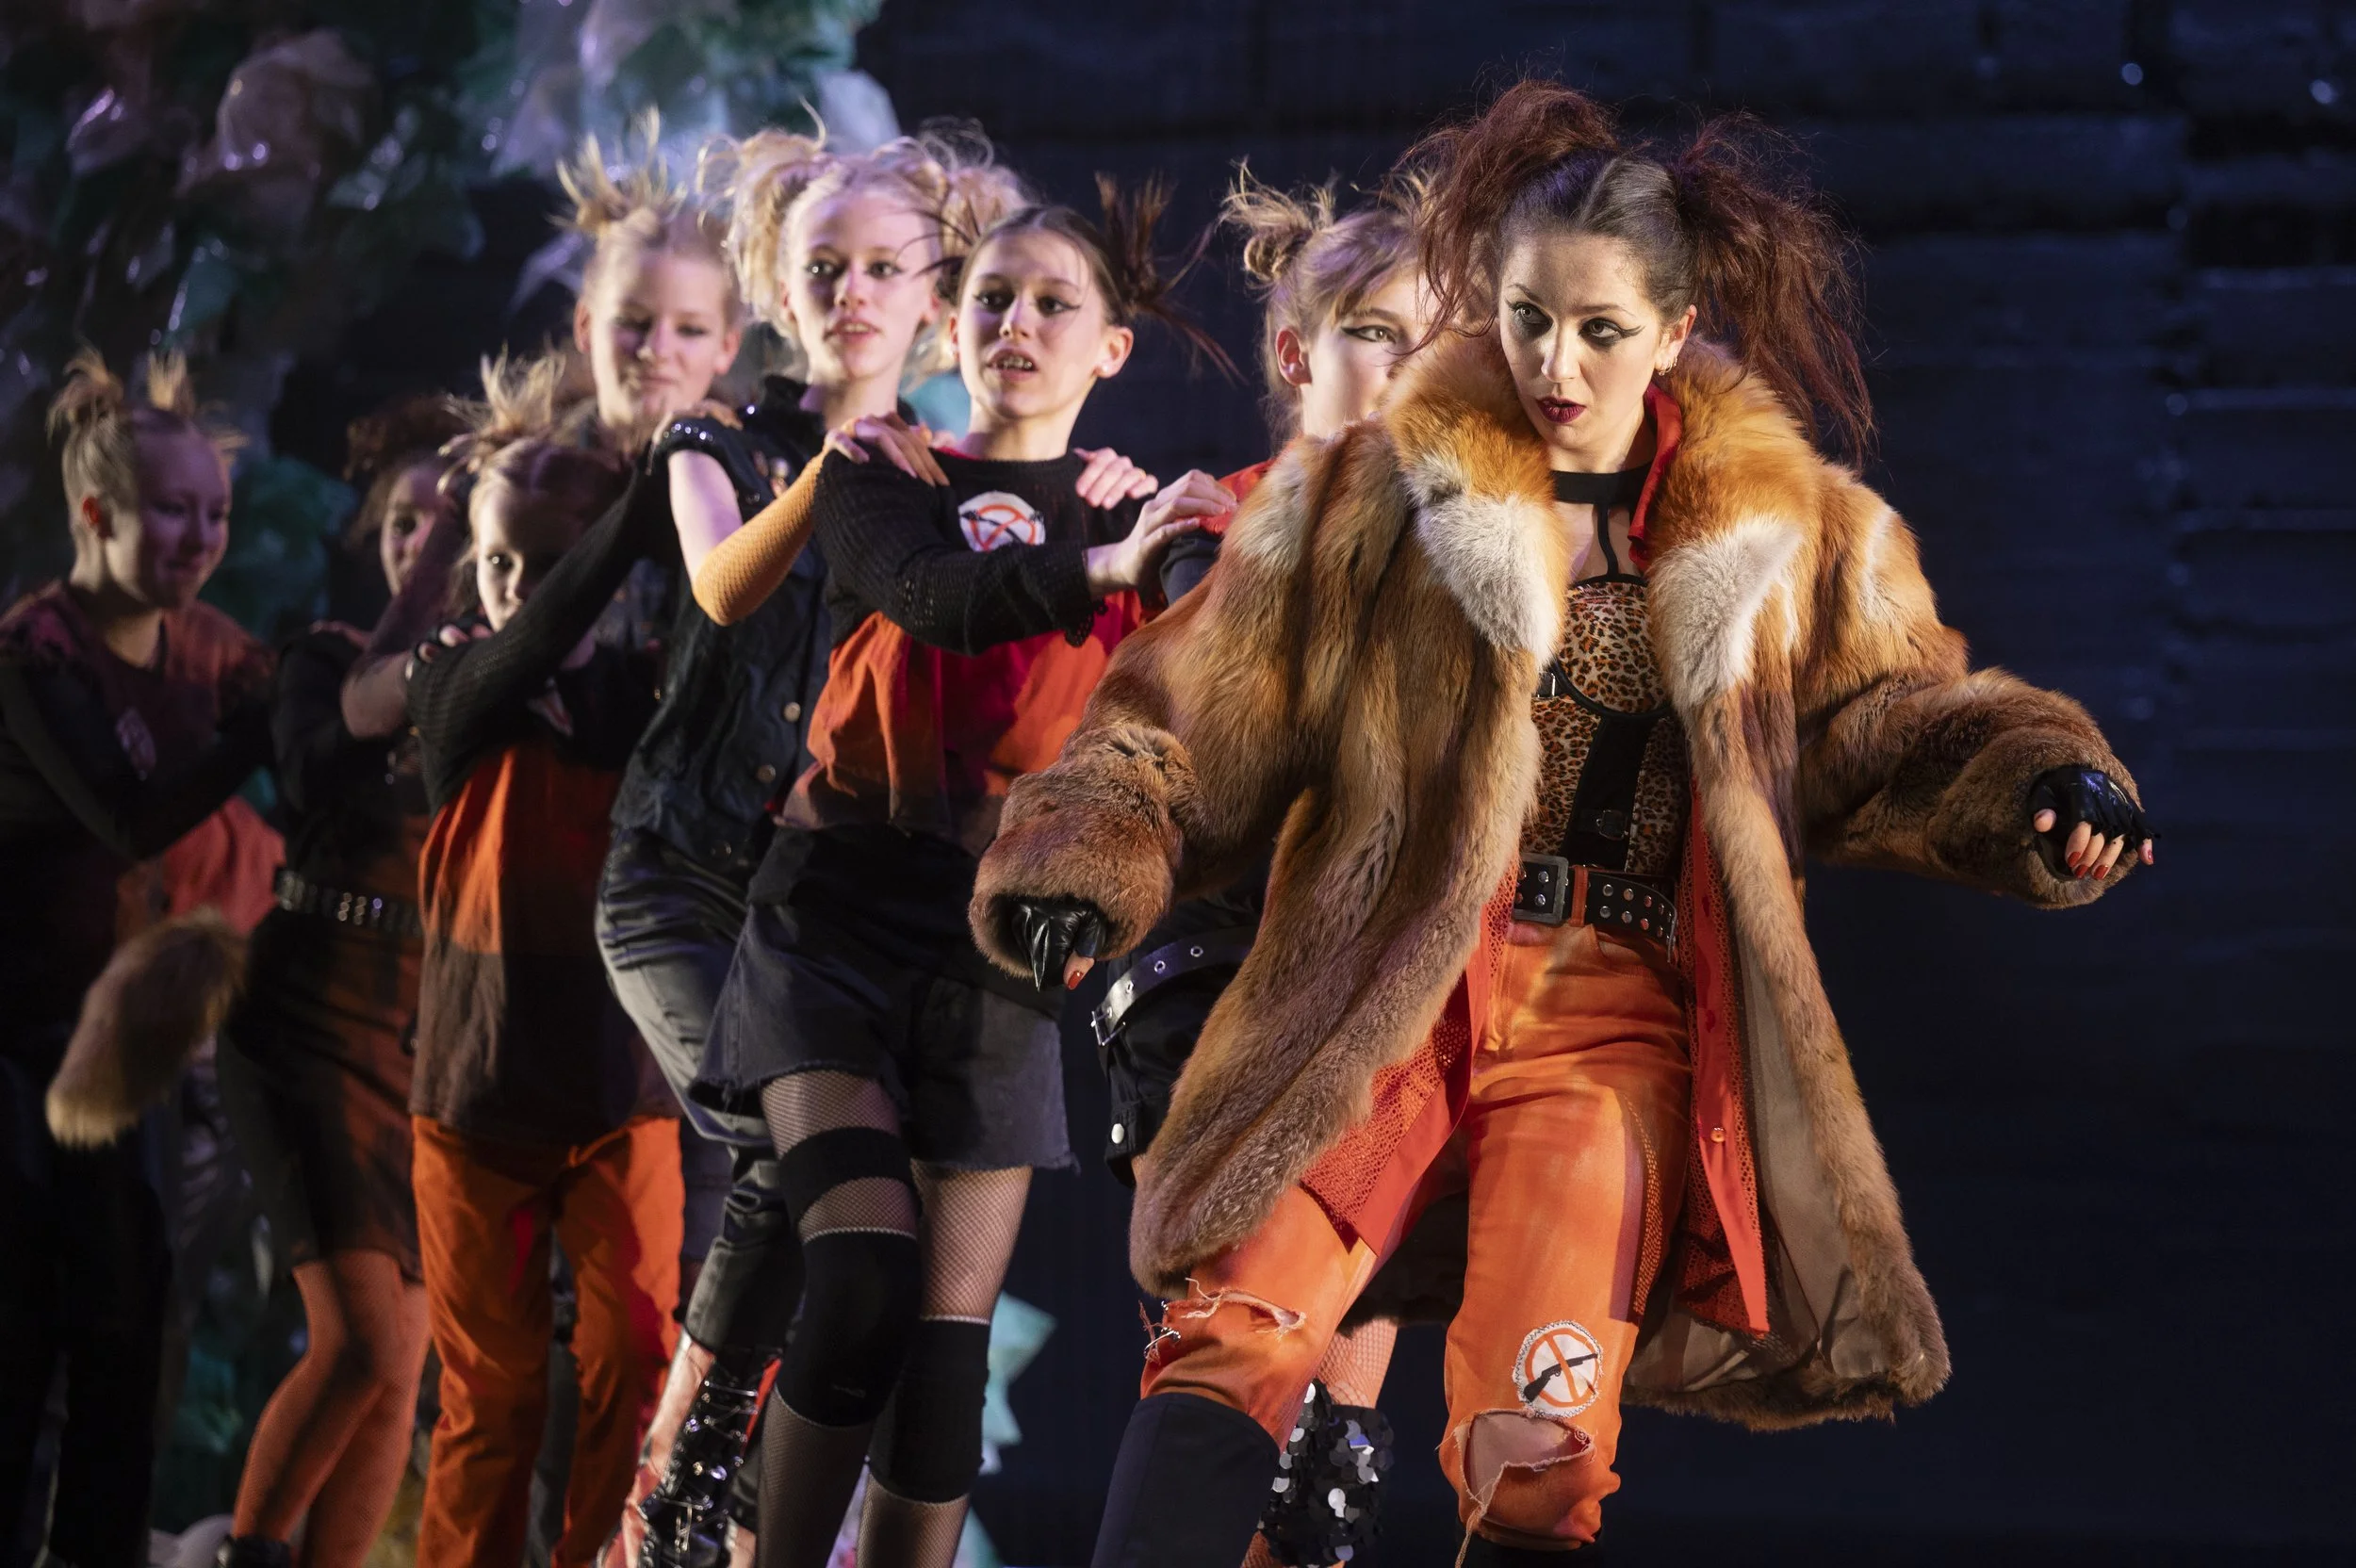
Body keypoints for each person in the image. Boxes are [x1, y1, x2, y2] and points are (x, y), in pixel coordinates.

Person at [975, 80, 2156, 1565]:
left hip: (1612, 1028)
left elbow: (1892, 719)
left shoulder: (1792, 536)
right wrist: (1090, 850)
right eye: (1529, 320)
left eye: (1601, 329)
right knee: (1233, 1332)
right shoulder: (1370, 496)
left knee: (1539, 1448)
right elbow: (1188, 709)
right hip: (1386, 984)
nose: (1555, 363)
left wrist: (2039, 784)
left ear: (1673, 332)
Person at [692, 176, 1231, 1568]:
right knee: (860, 1278)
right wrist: (1099, 557)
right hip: (833, 914)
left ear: (1111, 347)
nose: (1018, 325)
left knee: (944, 1359)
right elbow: (941, 599)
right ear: (950, 324)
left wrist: (1156, 543)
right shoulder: (886, 469)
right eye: (992, 299)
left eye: (1055, 304)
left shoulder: (1133, 518)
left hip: (1001, 943)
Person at [1089, 164, 1436, 1568]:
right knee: (1233, 1376)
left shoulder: (1483, 553)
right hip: (1216, 996)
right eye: (1379, 333)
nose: (1412, 369)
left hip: (1387, 1020)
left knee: (1328, 1469)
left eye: (1440, 341)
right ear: (1297, 353)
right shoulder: (1208, 527)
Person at [401, 353, 679, 1567]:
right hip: (476, 1097)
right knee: (493, 1394)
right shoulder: (455, 682)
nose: (516, 586)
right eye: (497, 560)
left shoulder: (647, 693)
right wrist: (644, 499)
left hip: (621, 1092)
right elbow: (534, 643)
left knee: (635, 1353)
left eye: (545, 560)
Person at [0, 349, 272, 1568]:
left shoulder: (200, 643)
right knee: (19, 1325)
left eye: (217, 513)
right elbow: (128, 814)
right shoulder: (35, 652)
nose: (201, 538)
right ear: (95, 512)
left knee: (126, 1324)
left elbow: (299, 696)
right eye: (173, 510)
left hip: (108, 1042)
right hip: (11, 1033)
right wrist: (251, 739)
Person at [210, 396, 467, 1568]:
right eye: (407, 523)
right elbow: (317, 772)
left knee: (401, 1364)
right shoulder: (323, 657)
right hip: (305, 1018)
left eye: (448, 523)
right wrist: (431, 604)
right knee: (362, 1338)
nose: (426, 544)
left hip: (420, 1042)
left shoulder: (500, 681)